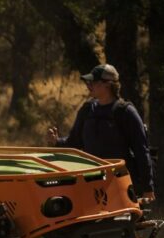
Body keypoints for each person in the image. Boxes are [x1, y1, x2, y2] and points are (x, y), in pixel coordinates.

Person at [45, 64, 155, 201]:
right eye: (88, 82)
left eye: (94, 82)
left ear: (108, 85)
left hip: (120, 183)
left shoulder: (125, 112)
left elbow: (141, 151)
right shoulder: (87, 110)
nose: (89, 85)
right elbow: (74, 142)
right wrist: (57, 142)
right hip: (90, 182)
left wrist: (147, 187)